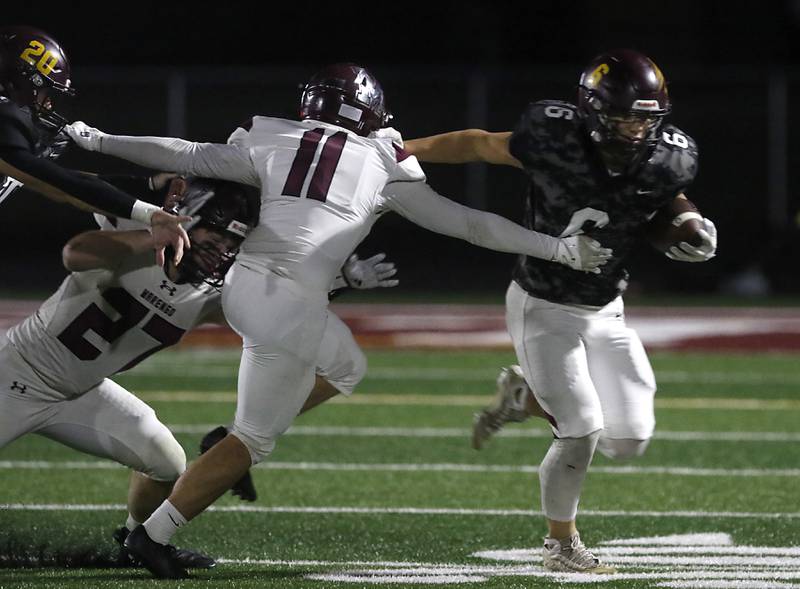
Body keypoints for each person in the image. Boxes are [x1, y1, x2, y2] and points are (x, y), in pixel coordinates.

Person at [65, 62, 612, 578]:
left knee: (347, 364)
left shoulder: (269, 135)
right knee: (253, 440)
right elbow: (470, 225)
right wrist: (558, 250)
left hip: (244, 287)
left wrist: (97, 140)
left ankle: (221, 450)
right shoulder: (383, 160)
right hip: (291, 303)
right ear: (372, 113)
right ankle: (154, 536)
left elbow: (181, 153)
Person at [403, 49, 717, 574]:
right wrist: (402, 149)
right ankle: (561, 544)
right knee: (581, 428)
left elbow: (667, 197)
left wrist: (694, 224)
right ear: (592, 111)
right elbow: (481, 144)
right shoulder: (554, 136)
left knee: (630, 441)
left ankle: (525, 396)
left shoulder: (672, 155)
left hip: (606, 308)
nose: (636, 130)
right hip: (543, 302)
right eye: (623, 117)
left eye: (646, 118)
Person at [0, 173, 389, 568]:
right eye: (214, 236)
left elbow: (275, 309)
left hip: (81, 392)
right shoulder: (138, 232)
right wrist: (154, 235)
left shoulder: (209, 292)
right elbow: (76, 253)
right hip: (14, 375)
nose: (220, 252)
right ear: (187, 219)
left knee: (166, 462)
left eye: (230, 244)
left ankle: (133, 543)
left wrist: (340, 280)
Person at [0, 25, 189, 266]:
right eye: (45, 94)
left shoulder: (9, 144)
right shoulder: (4, 118)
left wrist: (146, 186)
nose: (47, 106)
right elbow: (61, 186)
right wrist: (149, 214)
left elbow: (61, 179)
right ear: (20, 82)